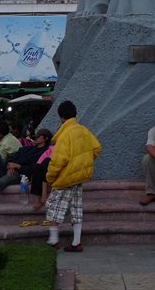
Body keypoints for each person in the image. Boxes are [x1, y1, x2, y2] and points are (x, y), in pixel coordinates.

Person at [44, 100, 101, 252]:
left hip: (64, 179)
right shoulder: (84, 130)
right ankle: (76, 242)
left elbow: (57, 161)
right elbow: (96, 148)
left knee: (52, 207)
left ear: (61, 117)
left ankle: (53, 240)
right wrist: (83, 164)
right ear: (75, 114)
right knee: (76, 209)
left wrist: (50, 178)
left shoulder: (64, 135)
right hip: (79, 178)